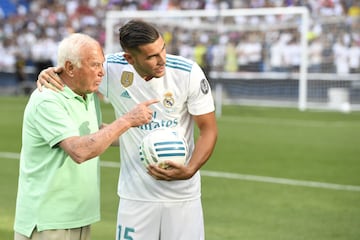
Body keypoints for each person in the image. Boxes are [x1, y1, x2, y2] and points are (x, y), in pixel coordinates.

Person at [37, 20, 218, 240]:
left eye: (163, 50)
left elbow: (208, 129)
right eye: (151, 56)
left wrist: (190, 169)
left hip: (183, 197)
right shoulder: (111, 69)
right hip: (136, 197)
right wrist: (52, 73)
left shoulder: (187, 72)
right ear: (130, 58)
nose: (162, 60)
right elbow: (75, 72)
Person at [14, 33, 156, 240]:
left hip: (78, 217)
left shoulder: (87, 94)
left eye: (102, 65)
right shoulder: (47, 99)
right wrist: (127, 120)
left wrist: (148, 138)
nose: (101, 72)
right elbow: (79, 150)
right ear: (70, 68)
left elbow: (95, 133)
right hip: (48, 222)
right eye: (95, 65)